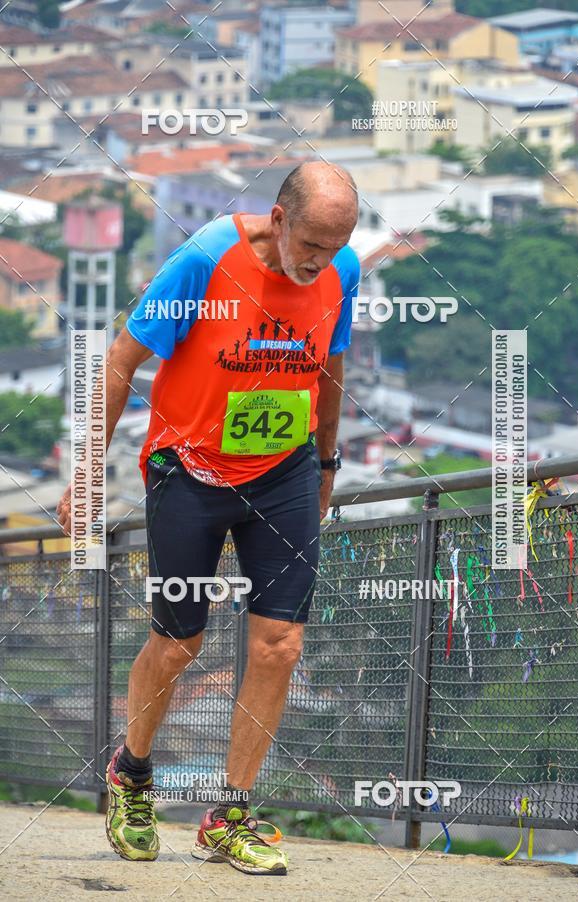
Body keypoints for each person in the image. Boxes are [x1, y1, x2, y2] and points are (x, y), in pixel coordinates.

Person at [57, 161, 360, 876]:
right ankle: (132, 774)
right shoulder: (200, 263)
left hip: (283, 471)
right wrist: (87, 476)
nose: (322, 263)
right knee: (179, 645)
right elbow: (120, 363)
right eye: (313, 245)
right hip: (189, 470)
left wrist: (324, 464)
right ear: (279, 219)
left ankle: (229, 816)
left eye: (337, 247)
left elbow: (331, 367)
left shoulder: (340, 270)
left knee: (279, 643)